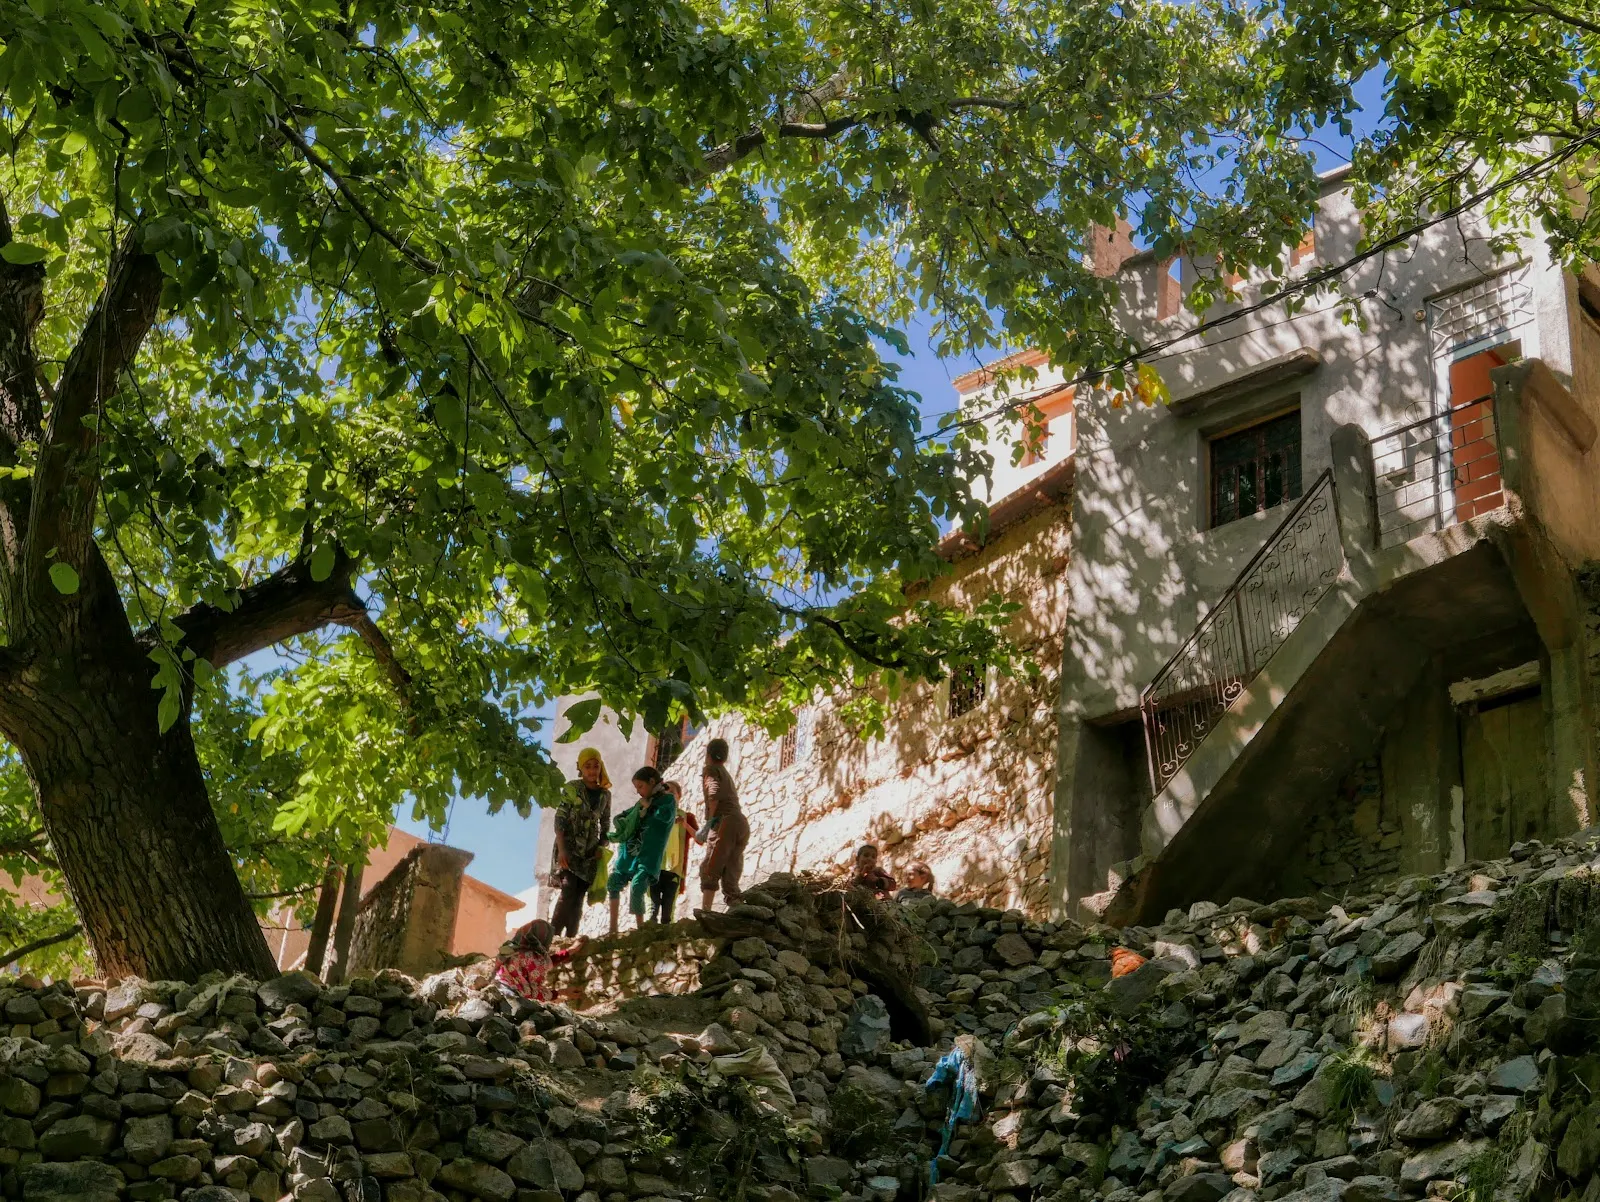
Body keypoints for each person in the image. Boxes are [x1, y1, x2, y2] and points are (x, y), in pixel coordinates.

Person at [549, 748, 612, 938]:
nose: (592, 771)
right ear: (580, 768)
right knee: (568, 890)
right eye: (588, 766)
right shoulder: (571, 788)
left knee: (578, 897)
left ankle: (570, 939)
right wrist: (562, 850)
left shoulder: (605, 795)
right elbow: (559, 819)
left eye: (596, 766)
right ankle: (552, 937)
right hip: (568, 848)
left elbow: (605, 822)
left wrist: (602, 845)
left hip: (590, 853)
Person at [607, 767, 678, 934]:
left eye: (640, 786)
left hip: (648, 857)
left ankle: (640, 929)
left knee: (638, 886)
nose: (638, 792)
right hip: (630, 855)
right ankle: (613, 928)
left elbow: (666, 816)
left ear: (652, 782)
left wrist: (651, 807)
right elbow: (628, 815)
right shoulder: (643, 802)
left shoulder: (668, 800)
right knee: (613, 882)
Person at [697, 738, 749, 912]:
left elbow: (713, 794)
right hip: (740, 822)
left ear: (708, 755)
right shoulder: (726, 773)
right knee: (731, 866)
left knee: (710, 867)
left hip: (724, 822)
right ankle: (737, 907)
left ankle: (706, 912)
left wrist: (708, 823)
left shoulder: (710, 769)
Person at [651, 782, 699, 925]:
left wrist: (685, 825)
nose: (668, 795)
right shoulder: (655, 816)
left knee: (668, 907)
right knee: (653, 906)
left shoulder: (686, 817)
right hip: (655, 866)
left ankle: (665, 938)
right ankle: (647, 935)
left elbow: (699, 838)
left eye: (672, 792)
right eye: (665, 793)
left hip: (675, 869)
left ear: (679, 796)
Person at [495, 918, 555, 1001]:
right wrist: (556, 994)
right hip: (513, 999)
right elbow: (534, 993)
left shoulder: (509, 949)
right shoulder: (536, 959)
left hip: (497, 989)